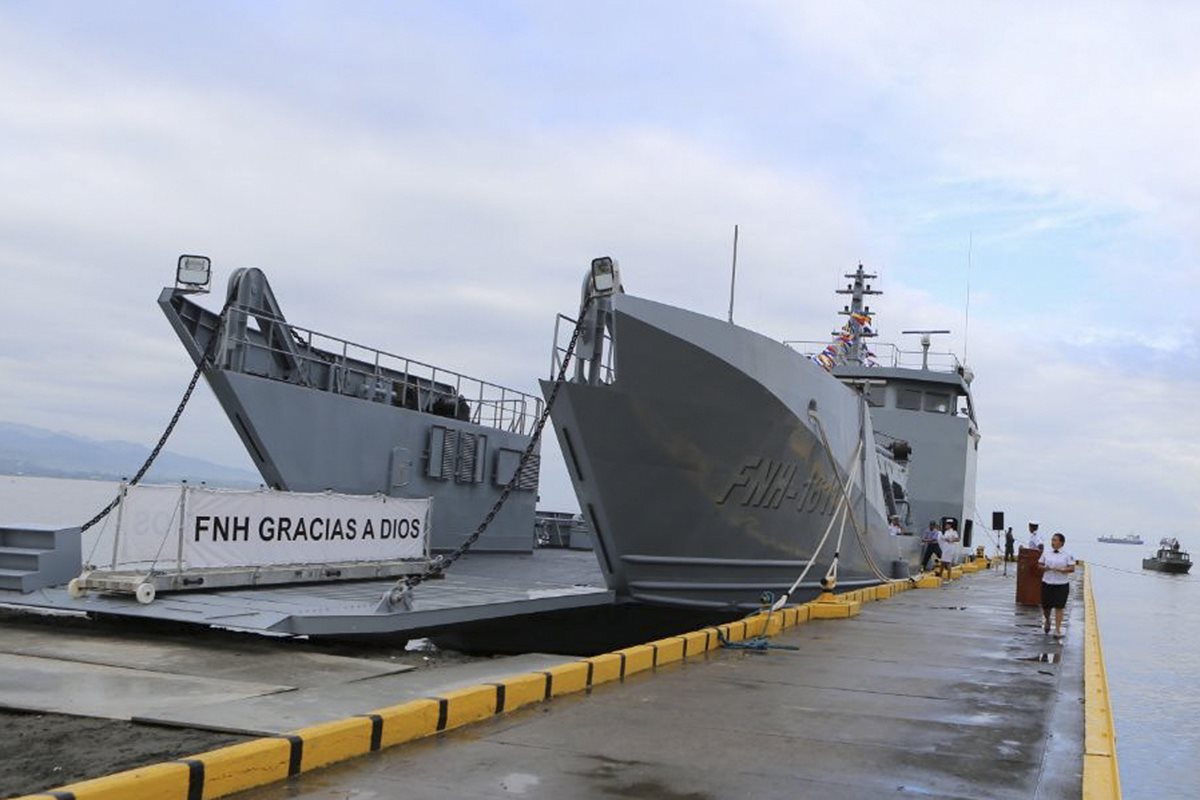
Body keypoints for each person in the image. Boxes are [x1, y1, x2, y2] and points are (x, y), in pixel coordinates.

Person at [1038, 532, 1075, 636]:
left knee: (1059, 607)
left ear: (1061, 542)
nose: (1052, 542)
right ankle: (1048, 620)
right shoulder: (1046, 552)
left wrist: (1063, 569)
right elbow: (1039, 564)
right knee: (1046, 607)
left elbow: (1072, 568)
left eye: (1055, 540)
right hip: (1047, 582)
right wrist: (1044, 568)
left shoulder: (1068, 554)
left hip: (1061, 584)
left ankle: (1057, 629)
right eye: (1052, 540)